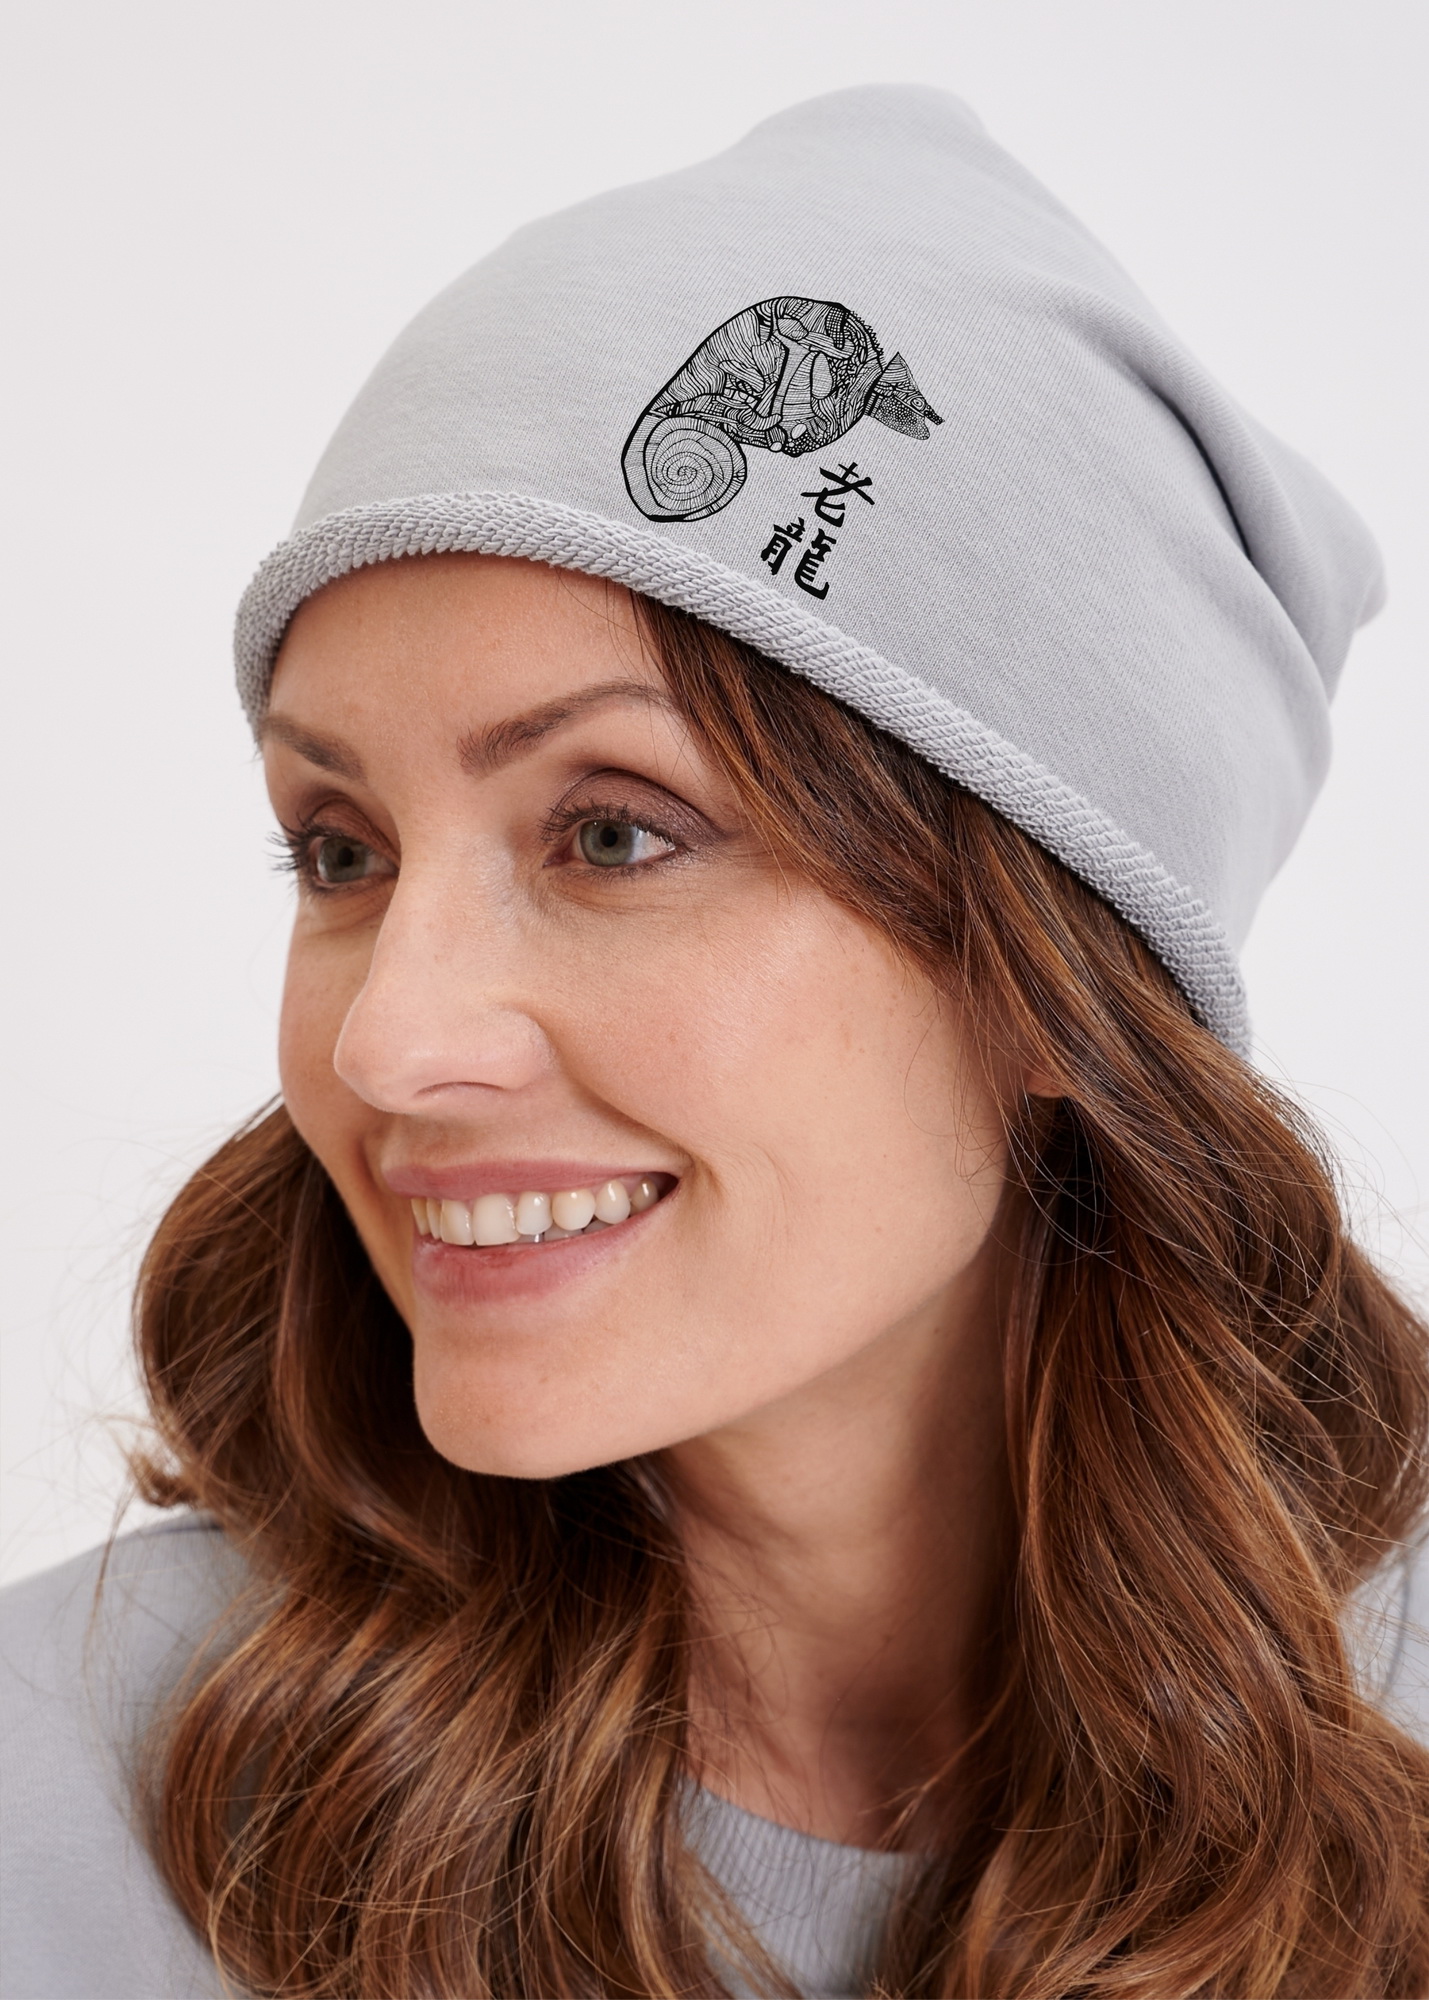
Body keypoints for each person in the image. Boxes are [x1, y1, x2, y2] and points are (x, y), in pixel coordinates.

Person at [2, 85, 1426, 2000]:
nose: (392, 1041)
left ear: (1054, 975)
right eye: (341, 849)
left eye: (612, 835)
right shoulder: (63, 1810)